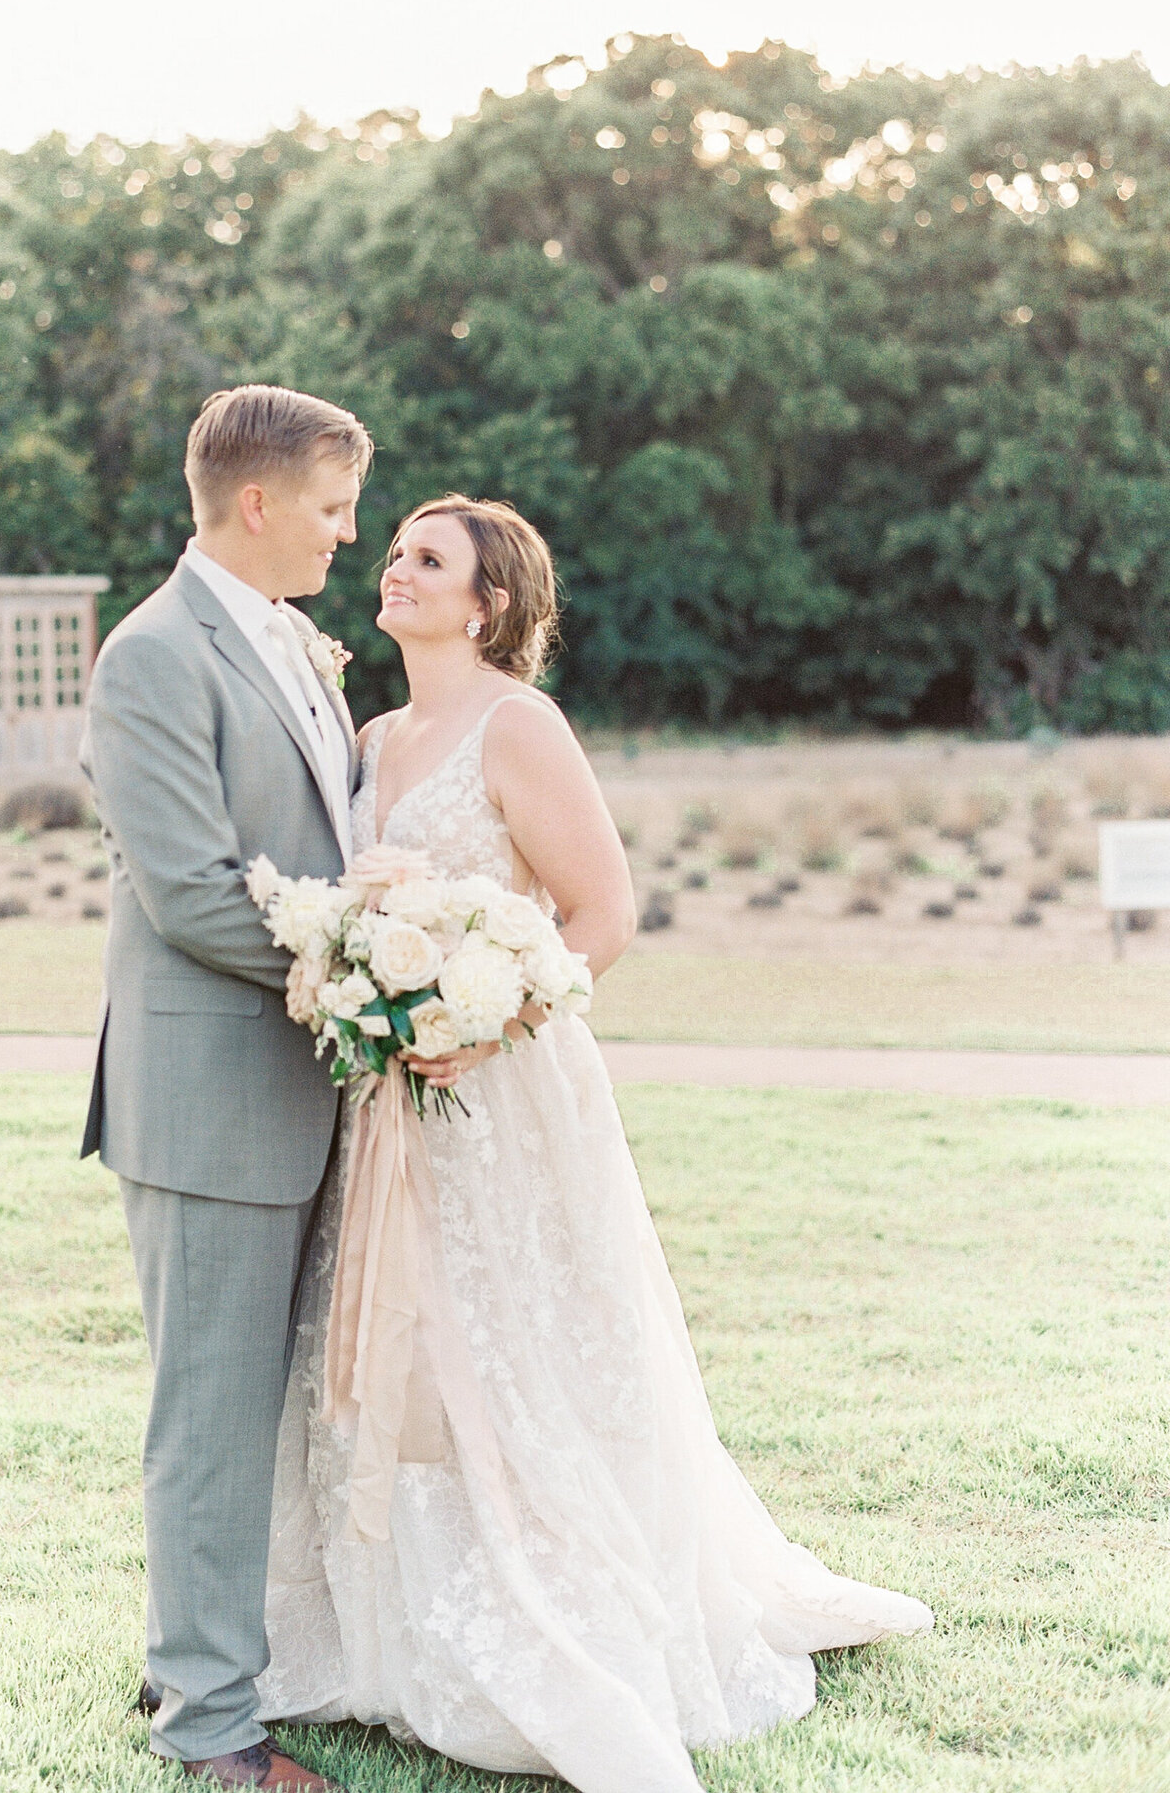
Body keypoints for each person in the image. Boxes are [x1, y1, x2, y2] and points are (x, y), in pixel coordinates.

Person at [258, 495, 933, 1793]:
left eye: (426, 560)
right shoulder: (372, 737)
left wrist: (481, 1016)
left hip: (505, 1096)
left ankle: (561, 1596)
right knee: (408, 1352)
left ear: (489, 603)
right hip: (388, 1105)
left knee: (522, 1342)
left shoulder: (520, 727)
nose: (393, 570)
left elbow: (601, 911)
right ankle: (387, 1619)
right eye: (392, 551)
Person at [81, 383, 371, 1790]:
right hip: (205, 1104)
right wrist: (372, 972)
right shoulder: (153, 657)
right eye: (330, 507)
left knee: (256, 1417)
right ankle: (209, 1735)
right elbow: (195, 894)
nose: (346, 534)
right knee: (206, 1423)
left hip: (294, 1089)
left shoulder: (290, 648)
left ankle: (212, 1660)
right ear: (256, 504)